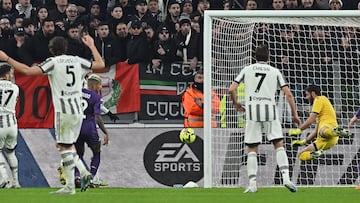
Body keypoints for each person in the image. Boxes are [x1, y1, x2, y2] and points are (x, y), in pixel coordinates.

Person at [0, 34, 105, 194]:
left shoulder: (53, 62)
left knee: (64, 147)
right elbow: (100, 64)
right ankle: (75, 181)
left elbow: (27, 71)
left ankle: (80, 177)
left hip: (64, 110)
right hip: (78, 111)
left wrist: (7, 58)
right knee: (67, 146)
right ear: (66, 48)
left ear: (51, 50)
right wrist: (91, 45)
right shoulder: (77, 61)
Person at [228, 44, 301, 193]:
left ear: (255, 57)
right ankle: (286, 178)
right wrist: (294, 114)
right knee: (278, 144)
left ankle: (253, 184)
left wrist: (236, 103)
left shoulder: (247, 69)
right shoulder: (275, 71)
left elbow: (231, 89)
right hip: (270, 111)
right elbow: (288, 94)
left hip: (252, 111)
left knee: (252, 148)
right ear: (268, 58)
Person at [289, 85, 351, 160]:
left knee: (323, 131)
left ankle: (336, 131)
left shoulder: (319, 99)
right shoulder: (321, 109)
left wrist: (298, 130)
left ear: (313, 93)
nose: (306, 98)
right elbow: (315, 131)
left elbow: (310, 121)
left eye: (307, 95)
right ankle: (314, 154)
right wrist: (303, 142)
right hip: (326, 140)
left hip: (329, 128)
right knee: (301, 155)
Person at [75, 74, 109, 187]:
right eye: (99, 85)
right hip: (90, 129)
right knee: (97, 152)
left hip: (77, 128)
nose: (100, 87)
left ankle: (77, 176)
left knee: (78, 154)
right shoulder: (96, 97)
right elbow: (97, 116)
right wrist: (105, 132)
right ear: (94, 85)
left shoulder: (77, 93)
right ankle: (91, 178)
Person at [0, 64, 20, 189]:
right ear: (6, 74)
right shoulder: (15, 87)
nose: (12, 75)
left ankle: (4, 178)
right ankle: (15, 182)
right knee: (11, 152)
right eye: (11, 73)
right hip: (12, 124)